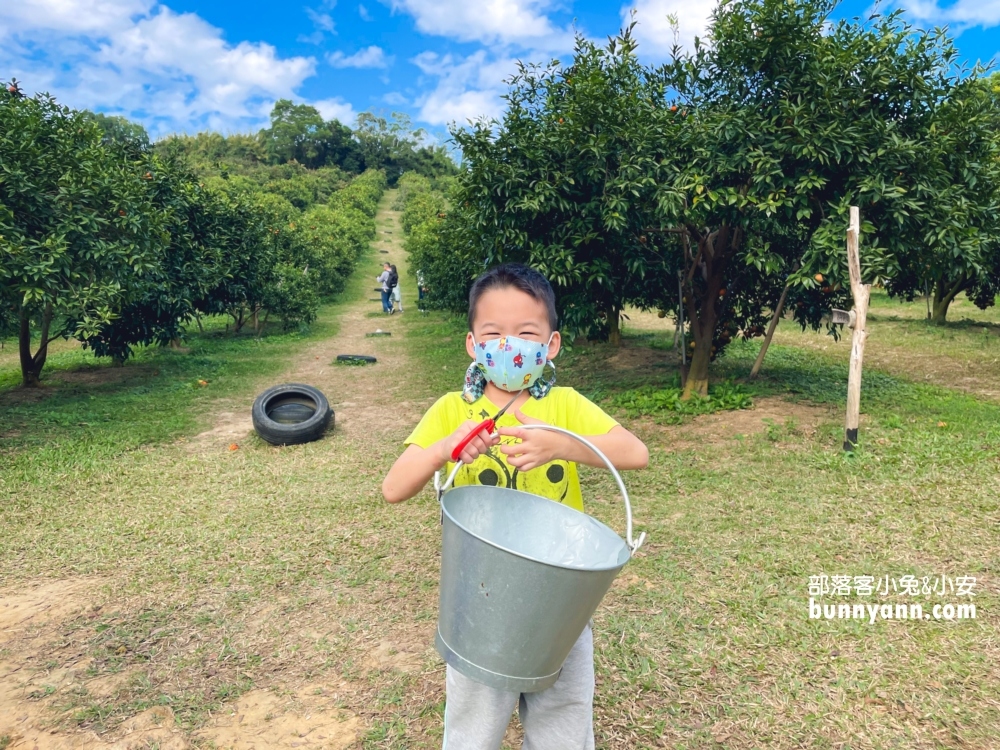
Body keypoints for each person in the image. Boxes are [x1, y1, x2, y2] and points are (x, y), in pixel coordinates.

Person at [382, 263, 649, 749]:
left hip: (560, 595)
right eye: (494, 333)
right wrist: (447, 447)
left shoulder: (564, 405)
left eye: (526, 333)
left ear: (551, 345)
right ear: (472, 344)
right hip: (481, 597)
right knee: (475, 721)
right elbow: (394, 487)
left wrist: (562, 445)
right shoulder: (451, 409)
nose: (509, 345)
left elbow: (635, 452)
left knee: (563, 716)